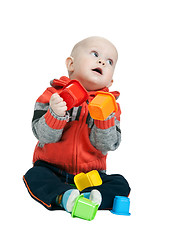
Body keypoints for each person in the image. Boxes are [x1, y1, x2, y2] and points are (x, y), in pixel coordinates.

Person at [23, 36, 131, 213]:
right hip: (51, 169)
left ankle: (94, 197)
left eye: (110, 61)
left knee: (120, 183)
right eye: (95, 54)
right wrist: (56, 114)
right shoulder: (52, 96)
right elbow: (43, 136)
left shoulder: (111, 107)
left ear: (110, 82)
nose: (102, 61)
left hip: (91, 175)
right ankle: (64, 197)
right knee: (34, 176)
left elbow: (108, 145)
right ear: (71, 64)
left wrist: (104, 120)